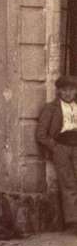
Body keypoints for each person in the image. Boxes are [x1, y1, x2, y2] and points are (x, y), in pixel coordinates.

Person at [36, 75, 77, 232]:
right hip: (62, 148)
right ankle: (73, 223)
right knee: (69, 185)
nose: (68, 93)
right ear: (58, 91)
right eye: (64, 90)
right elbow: (40, 134)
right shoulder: (51, 108)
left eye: (72, 90)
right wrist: (56, 147)